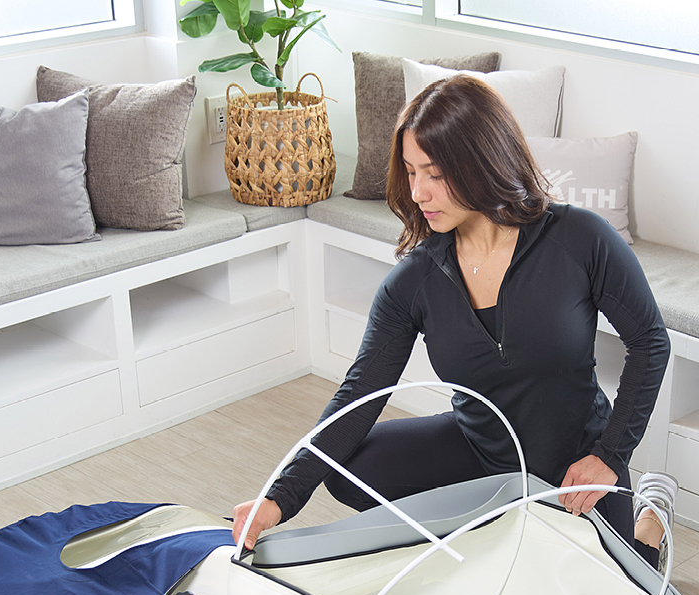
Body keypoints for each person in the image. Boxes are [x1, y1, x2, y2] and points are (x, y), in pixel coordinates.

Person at [233, 74, 673, 567]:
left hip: (574, 468)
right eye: (410, 172)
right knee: (347, 468)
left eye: (435, 174)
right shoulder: (414, 281)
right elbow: (359, 393)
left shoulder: (579, 239)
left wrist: (610, 456)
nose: (418, 192)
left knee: (622, 591)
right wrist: (280, 497)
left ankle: (651, 520)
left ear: (482, 159)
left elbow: (650, 342)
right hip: (478, 457)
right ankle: (480, 532)